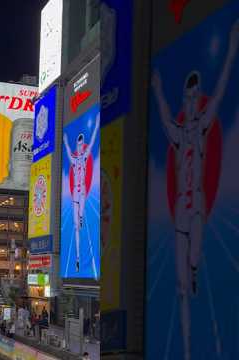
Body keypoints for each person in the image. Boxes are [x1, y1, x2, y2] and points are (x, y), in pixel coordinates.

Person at [150, 19, 238, 360]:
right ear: (183, 98)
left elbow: (220, 92)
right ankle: (186, 351)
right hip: (181, 215)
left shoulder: (200, 127)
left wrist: (231, 47)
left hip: (197, 204)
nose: (190, 100)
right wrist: (157, 88)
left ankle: (196, 270)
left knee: (194, 259)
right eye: (186, 96)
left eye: (193, 95)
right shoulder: (177, 131)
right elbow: (161, 116)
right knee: (180, 287)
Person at [63, 113, 100, 277]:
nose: (79, 147)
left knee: (80, 218)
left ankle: (81, 217)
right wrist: (64, 141)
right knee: (76, 226)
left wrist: (98, 124)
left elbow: (92, 142)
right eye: (78, 145)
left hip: (82, 191)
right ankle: (77, 258)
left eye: (80, 145)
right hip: (75, 195)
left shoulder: (84, 158)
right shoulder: (74, 158)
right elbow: (68, 150)